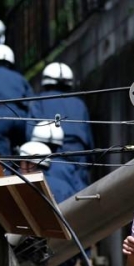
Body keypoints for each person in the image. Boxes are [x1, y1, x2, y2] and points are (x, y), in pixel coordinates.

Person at [17, 141, 77, 266]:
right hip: (64, 250)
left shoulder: (24, 185)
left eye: (21, 162)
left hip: (33, 252)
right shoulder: (65, 186)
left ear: (29, 164)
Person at [27, 62, 94, 193]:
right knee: (81, 195)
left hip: (51, 154)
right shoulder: (79, 104)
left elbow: (30, 132)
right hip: (79, 154)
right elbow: (88, 135)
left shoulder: (39, 101)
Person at [0, 44, 33, 158]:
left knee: (1, 158)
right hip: (21, 117)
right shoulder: (19, 77)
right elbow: (31, 101)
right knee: (21, 155)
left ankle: (5, 167)